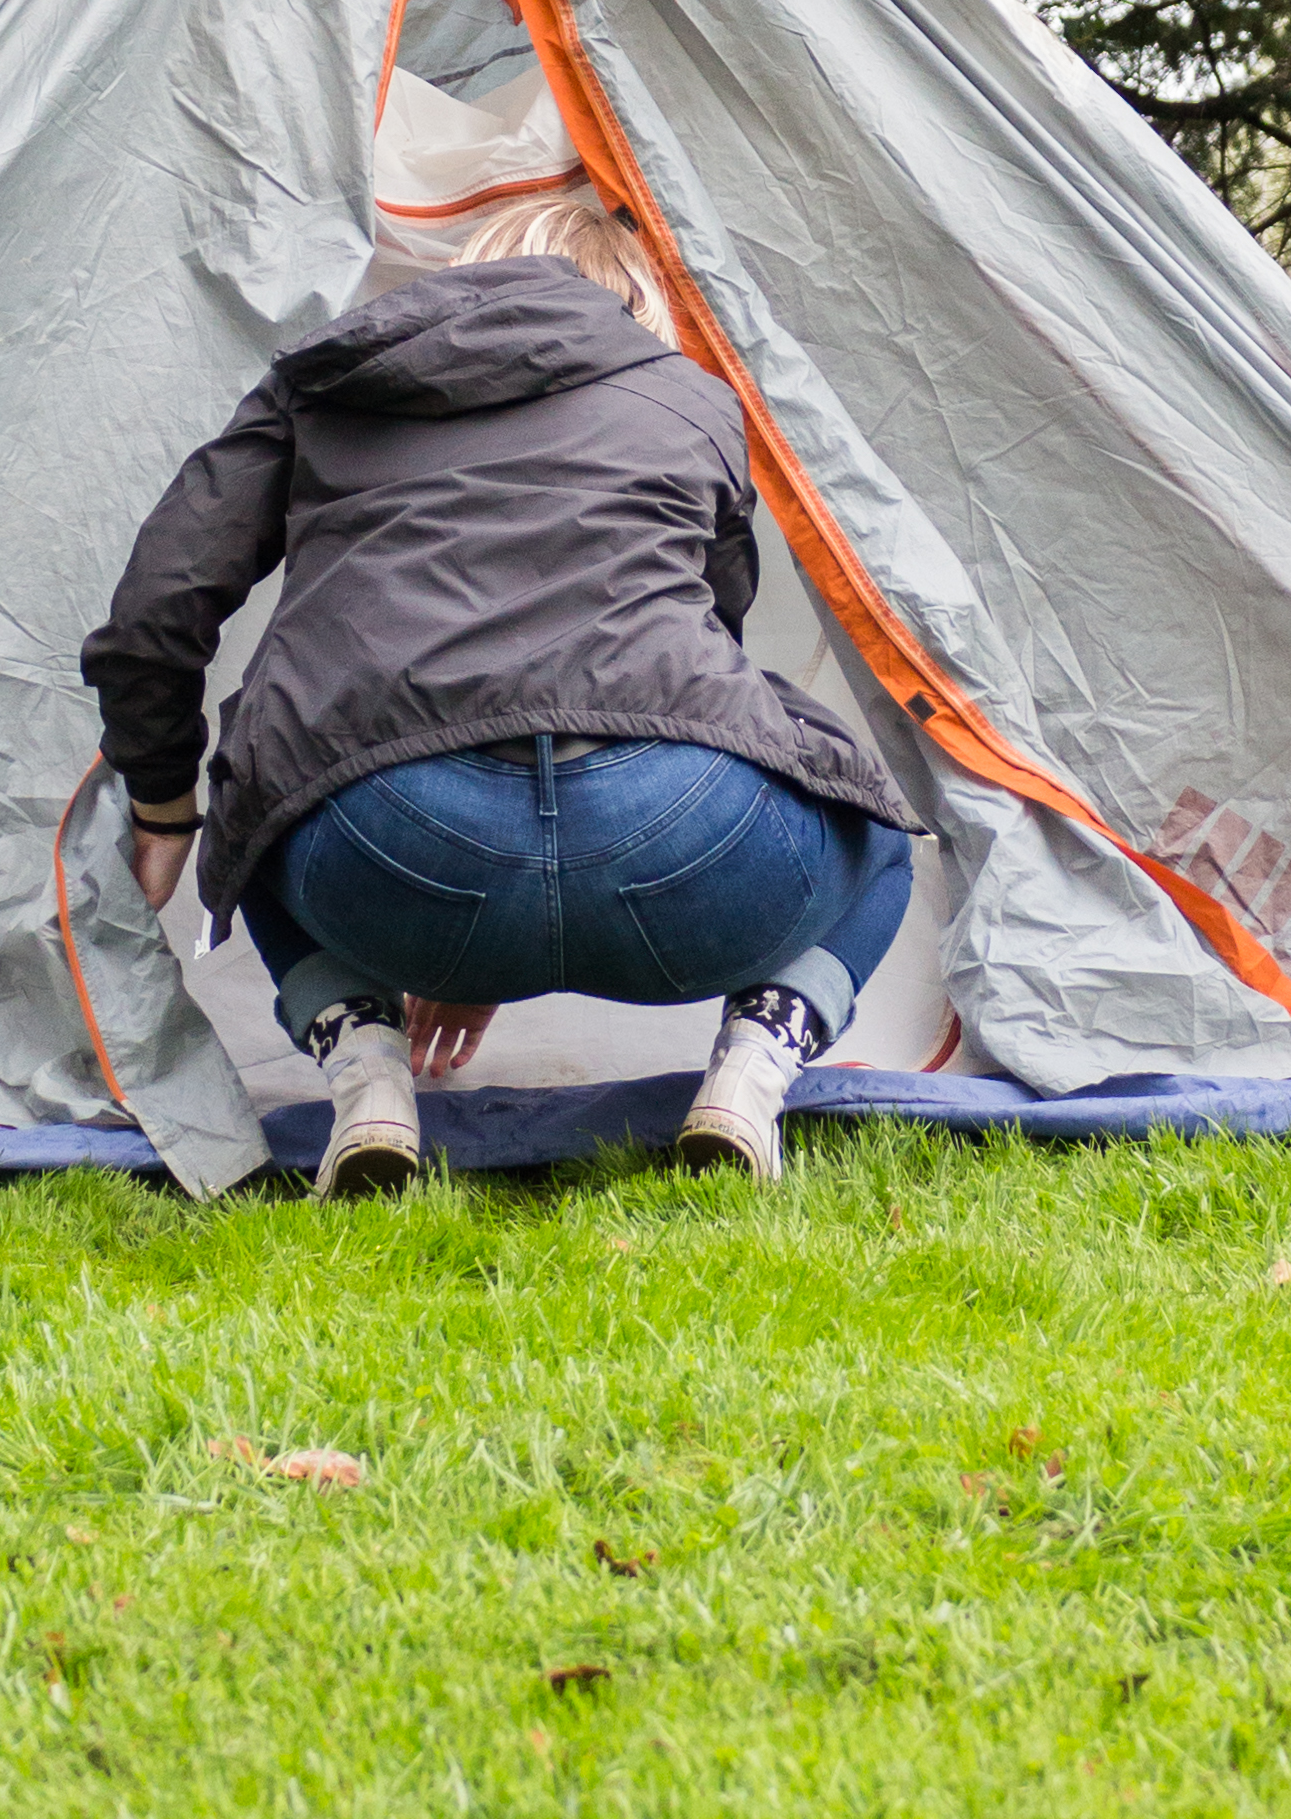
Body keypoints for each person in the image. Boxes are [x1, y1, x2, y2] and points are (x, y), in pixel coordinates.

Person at [81, 197, 922, 1195]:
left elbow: (160, 604)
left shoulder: (326, 382)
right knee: (875, 827)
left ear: (473, 270)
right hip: (688, 860)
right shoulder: (689, 396)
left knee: (272, 776)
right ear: (638, 305)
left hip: (391, 862)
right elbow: (706, 661)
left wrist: (164, 806)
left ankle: (366, 1078)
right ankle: (754, 1065)